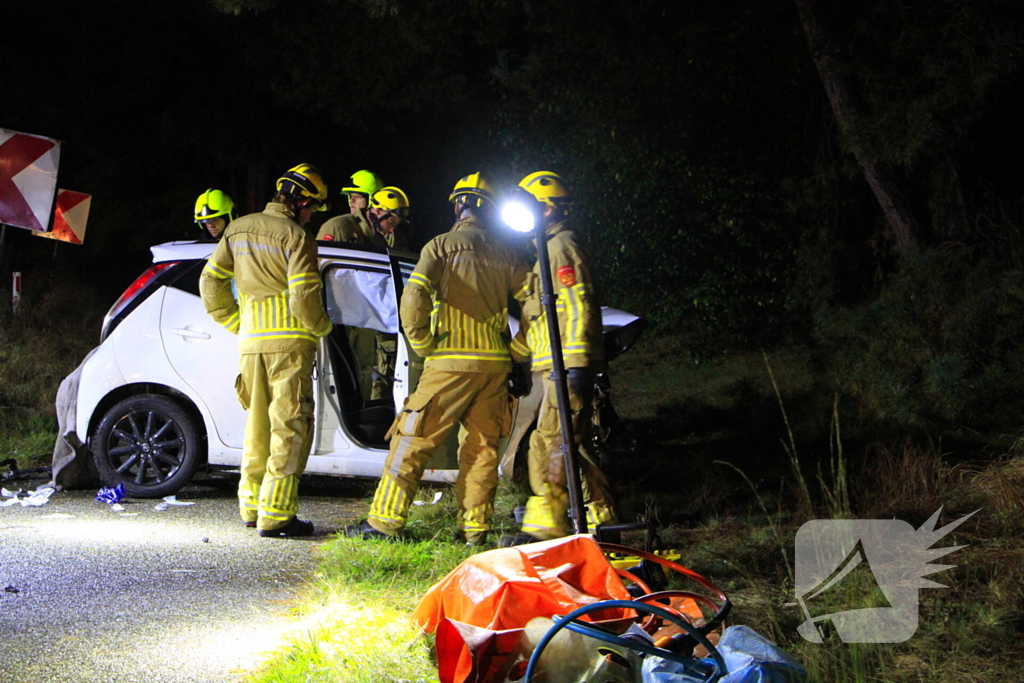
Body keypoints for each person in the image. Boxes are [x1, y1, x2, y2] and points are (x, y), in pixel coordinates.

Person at [346, 173, 529, 545]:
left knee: (412, 441)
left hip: (448, 364)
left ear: (458, 205)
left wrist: (422, 343)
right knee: (481, 450)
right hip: (494, 368)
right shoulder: (508, 253)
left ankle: (384, 523)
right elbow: (539, 306)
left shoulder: (441, 246)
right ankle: (474, 530)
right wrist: (518, 352)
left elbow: (414, 299)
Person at [200, 164, 333, 538]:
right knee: (289, 429)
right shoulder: (297, 236)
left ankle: (252, 506)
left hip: (251, 344)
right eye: (314, 208)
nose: (312, 215)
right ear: (302, 200)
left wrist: (237, 323)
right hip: (289, 345)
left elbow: (211, 282)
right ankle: (277, 515)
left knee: (256, 427)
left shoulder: (237, 228)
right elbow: (304, 295)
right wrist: (322, 328)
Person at [506, 171, 616, 543]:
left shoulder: (561, 247)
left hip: (566, 367)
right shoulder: (546, 249)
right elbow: (540, 318)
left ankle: (543, 531)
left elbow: (579, 306)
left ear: (547, 208)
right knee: (572, 446)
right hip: (555, 366)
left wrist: (577, 366)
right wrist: (515, 359)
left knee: (548, 444)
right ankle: (604, 522)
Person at [315, 170, 383, 243]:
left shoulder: (386, 231)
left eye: (357, 196)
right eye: (350, 196)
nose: (351, 200)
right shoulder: (336, 226)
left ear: (373, 199)